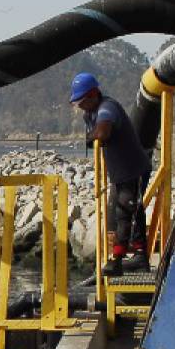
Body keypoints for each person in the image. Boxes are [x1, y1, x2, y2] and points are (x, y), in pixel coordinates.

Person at [70, 71, 150, 273]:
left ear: (92, 95)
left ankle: (118, 260)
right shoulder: (90, 113)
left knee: (126, 210)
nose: (78, 106)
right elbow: (93, 135)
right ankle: (139, 256)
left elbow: (102, 133)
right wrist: (92, 135)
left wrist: (92, 136)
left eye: (80, 101)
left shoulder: (107, 107)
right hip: (120, 172)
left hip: (134, 169)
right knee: (131, 210)